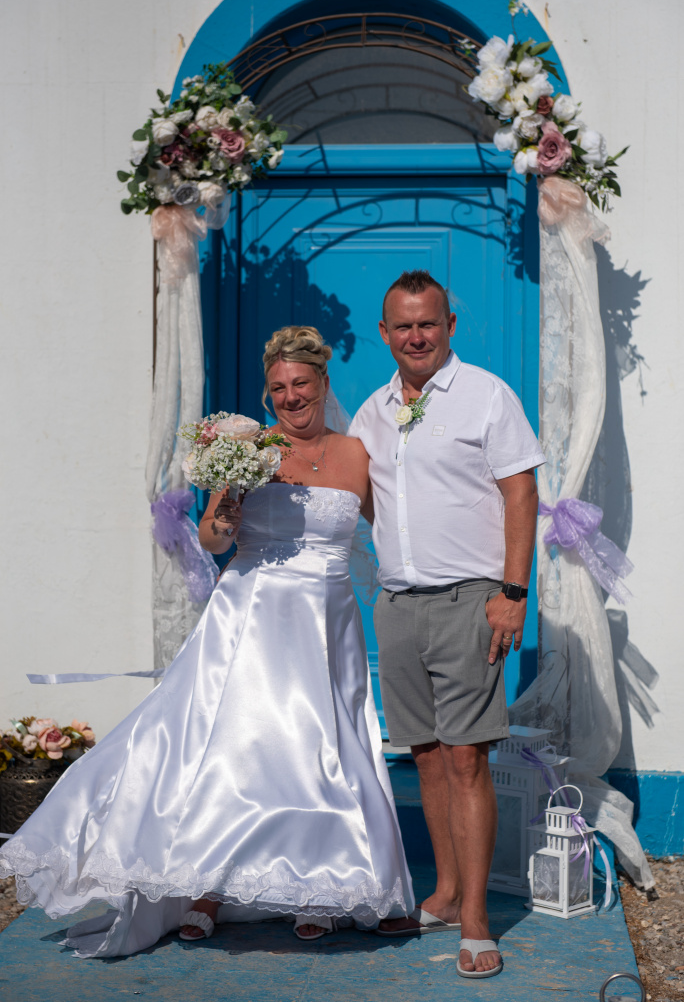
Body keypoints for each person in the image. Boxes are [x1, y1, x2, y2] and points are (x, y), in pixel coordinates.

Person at [0, 325, 414, 957]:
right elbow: (215, 540)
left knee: (324, 748)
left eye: (301, 383)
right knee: (240, 749)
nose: (290, 396)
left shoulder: (359, 454)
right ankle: (208, 888)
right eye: (278, 387)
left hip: (329, 623)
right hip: (253, 616)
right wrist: (223, 513)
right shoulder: (249, 449)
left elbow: (395, 531)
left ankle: (317, 889)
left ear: (323, 383)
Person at [348, 270, 544, 979]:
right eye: (403, 326)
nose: (416, 336)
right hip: (399, 605)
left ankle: (476, 921)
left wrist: (512, 591)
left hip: (471, 600)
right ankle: (447, 891)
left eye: (427, 323)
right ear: (384, 333)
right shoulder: (371, 413)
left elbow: (521, 492)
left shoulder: (487, 395)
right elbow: (367, 500)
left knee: (467, 758)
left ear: (449, 325)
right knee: (426, 755)